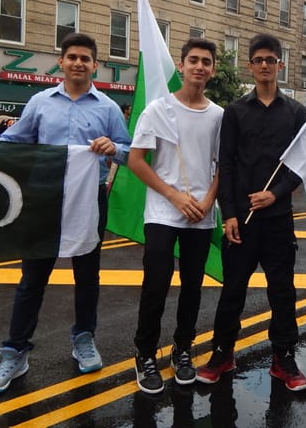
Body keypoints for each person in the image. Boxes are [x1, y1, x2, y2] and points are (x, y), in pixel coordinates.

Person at [0, 32, 131, 394]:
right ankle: (15, 352)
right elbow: (16, 142)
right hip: (44, 198)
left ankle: (83, 338)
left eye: (85, 58)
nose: (78, 62)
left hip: (89, 198)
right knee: (32, 278)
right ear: (60, 62)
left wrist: (115, 148)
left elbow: (127, 150)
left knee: (87, 276)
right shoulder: (40, 102)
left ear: (95, 65)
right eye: (72, 56)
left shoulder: (108, 108)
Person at [196, 33, 306, 392]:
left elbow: (302, 164)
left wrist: (275, 194)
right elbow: (225, 164)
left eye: (270, 59)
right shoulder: (234, 111)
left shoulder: (296, 112)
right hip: (240, 221)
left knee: (282, 292)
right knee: (233, 291)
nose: (264, 65)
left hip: (277, 220)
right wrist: (228, 213)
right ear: (250, 65)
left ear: (280, 64)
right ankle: (222, 353)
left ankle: (284, 358)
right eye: (258, 59)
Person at [128, 38, 223, 394]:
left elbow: (222, 166)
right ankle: (145, 352)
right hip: (163, 213)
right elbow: (137, 160)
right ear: (181, 66)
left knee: (193, 288)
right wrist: (173, 196)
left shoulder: (218, 116)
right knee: (156, 284)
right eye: (193, 60)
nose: (199, 66)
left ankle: (182, 350)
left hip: (201, 215)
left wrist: (208, 201)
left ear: (212, 70)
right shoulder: (157, 110)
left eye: (206, 62)